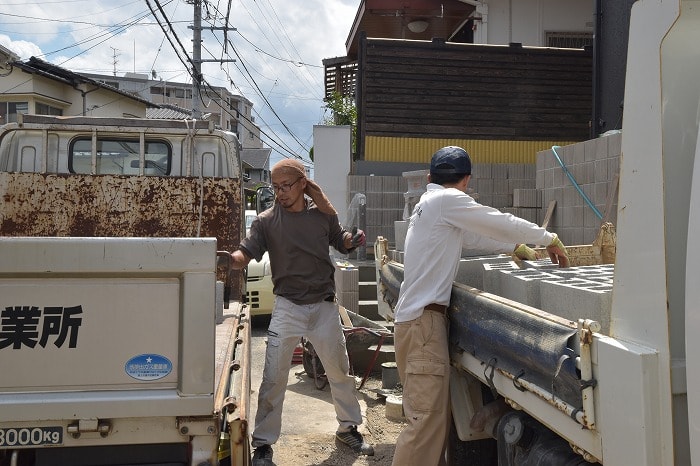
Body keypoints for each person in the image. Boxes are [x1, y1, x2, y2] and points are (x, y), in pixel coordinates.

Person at [391, 146, 569, 466]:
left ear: (430, 176)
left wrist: (516, 247)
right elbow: (496, 221)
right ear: (466, 180)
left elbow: (470, 239)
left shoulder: (428, 205)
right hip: (423, 328)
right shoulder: (448, 201)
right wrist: (547, 238)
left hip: (412, 325)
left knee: (428, 421)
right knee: (424, 425)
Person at [229, 159, 374, 465]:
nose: (280, 193)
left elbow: (341, 241)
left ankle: (348, 428)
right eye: (275, 187)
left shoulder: (322, 215)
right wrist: (235, 258)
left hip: (323, 306)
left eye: (286, 186)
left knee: (339, 371)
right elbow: (248, 249)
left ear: (302, 184)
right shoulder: (266, 222)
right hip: (287, 308)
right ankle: (264, 445)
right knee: (273, 377)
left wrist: (353, 239)